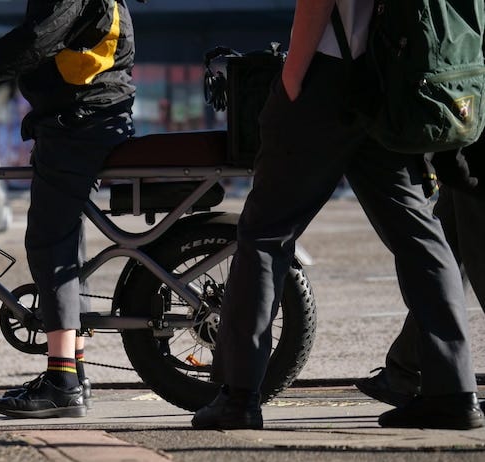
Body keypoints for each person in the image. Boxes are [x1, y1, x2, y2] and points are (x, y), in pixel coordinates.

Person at [191, 0, 484, 430]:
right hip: (393, 78)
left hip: (326, 77)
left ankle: (238, 395)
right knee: (420, 235)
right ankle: (453, 391)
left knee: (266, 232)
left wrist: (291, 79)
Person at [0, 0, 139, 419]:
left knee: (50, 242)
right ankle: (73, 372)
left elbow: (37, 40)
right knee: (65, 245)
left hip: (81, 121)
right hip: (87, 116)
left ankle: (62, 382)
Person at [355, 140, 485, 409]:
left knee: (474, 252)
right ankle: (405, 370)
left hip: (475, 139)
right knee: (446, 252)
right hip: (467, 141)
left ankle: (406, 372)